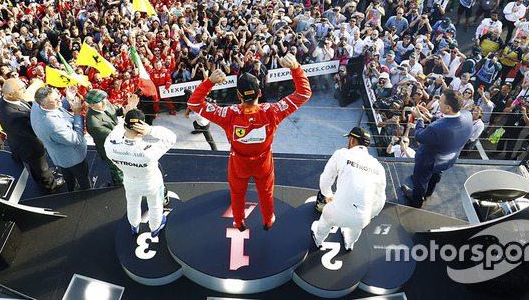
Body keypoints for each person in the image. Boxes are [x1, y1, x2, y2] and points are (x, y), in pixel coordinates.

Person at [187, 53, 311, 231]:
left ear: (238, 95)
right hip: (263, 164)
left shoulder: (228, 115)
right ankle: (268, 220)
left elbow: (194, 103)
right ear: (260, 92)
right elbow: (304, 93)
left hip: (238, 164)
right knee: (266, 192)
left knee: (237, 194)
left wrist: (210, 82)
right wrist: (296, 68)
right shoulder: (272, 111)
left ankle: (238, 221)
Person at [311, 127, 386, 252]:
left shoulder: (341, 154)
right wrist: (369, 216)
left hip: (337, 213)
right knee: (356, 228)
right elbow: (380, 199)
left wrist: (327, 194)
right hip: (361, 219)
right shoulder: (378, 167)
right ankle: (349, 243)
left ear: (352, 140)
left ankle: (318, 240)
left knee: (325, 220)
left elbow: (325, 179)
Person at [104, 109, 177, 237]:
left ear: (125, 126)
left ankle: (134, 226)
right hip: (151, 183)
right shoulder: (149, 151)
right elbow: (171, 137)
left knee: (132, 204)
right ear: (142, 128)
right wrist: (151, 130)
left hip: (130, 182)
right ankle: (155, 229)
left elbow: (116, 131)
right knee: (155, 206)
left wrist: (125, 117)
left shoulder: (110, 146)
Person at [400, 89, 473, 208]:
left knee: (420, 179)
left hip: (428, 161)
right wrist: (430, 117)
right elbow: (447, 123)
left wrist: (419, 119)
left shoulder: (436, 129)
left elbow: (419, 136)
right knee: (437, 173)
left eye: (441, 101)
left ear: (448, 107)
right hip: (447, 158)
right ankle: (430, 190)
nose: (438, 102)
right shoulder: (467, 115)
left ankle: (417, 199)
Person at [0, 78, 64, 193]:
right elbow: (35, 131)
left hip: (21, 141)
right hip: (30, 148)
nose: (25, 90)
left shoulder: (8, 100)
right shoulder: (13, 116)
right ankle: (51, 186)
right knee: (41, 167)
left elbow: (27, 106)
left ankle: (40, 178)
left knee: (37, 168)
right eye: (21, 89)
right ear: (9, 93)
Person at [30, 86, 92, 192]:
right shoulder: (53, 125)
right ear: (43, 104)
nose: (59, 100)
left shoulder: (37, 104)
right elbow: (77, 139)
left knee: (67, 174)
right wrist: (77, 114)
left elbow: (55, 107)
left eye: (58, 96)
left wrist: (67, 99)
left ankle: (71, 190)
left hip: (60, 155)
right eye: (55, 100)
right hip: (73, 157)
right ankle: (87, 193)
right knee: (83, 179)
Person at [85, 89, 140, 187]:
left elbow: (115, 110)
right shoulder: (93, 123)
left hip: (120, 143)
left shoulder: (104, 104)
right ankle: (119, 186)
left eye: (105, 99)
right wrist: (127, 115)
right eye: (99, 102)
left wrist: (128, 107)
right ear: (91, 105)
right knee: (117, 170)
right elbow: (113, 138)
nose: (104, 102)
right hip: (111, 150)